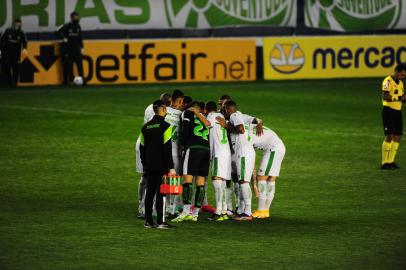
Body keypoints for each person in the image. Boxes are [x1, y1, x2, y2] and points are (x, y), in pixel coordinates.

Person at [216, 100, 256, 221]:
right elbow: (254, 121)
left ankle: (247, 212)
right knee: (241, 181)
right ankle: (242, 210)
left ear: (228, 109)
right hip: (244, 152)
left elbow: (241, 129)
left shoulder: (235, 115)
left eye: (223, 109)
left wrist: (226, 125)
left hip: (243, 153)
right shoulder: (239, 115)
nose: (222, 111)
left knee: (243, 181)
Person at [140, 100, 176, 229]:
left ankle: (148, 221)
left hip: (149, 165)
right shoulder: (166, 126)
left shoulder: (146, 127)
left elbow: (142, 148)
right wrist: (171, 167)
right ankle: (161, 221)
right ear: (163, 110)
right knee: (162, 193)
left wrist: (145, 164)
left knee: (150, 192)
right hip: (161, 166)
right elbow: (167, 149)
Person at [172, 101, 211, 222]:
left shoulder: (187, 113)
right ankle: (195, 214)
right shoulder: (204, 117)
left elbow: (185, 130)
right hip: (206, 150)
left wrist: (183, 146)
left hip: (193, 149)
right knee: (200, 182)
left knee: (187, 180)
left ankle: (185, 211)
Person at [136, 93, 171, 218]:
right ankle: (143, 207)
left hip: (148, 147)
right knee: (149, 178)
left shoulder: (152, 111)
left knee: (150, 180)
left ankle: (150, 211)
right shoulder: (157, 115)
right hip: (150, 146)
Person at [251, 125, 286, 218]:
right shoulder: (249, 126)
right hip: (278, 146)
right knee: (271, 179)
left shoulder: (245, 137)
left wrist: (254, 184)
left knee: (261, 177)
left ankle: (260, 210)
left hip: (273, 149)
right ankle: (265, 211)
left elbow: (251, 160)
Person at [205, 101, 231, 221]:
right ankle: (224, 211)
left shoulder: (210, 117)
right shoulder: (222, 116)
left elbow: (209, 137)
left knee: (216, 179)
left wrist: (209, 156)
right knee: (224, 182)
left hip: (218, 153)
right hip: (227, 153)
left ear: (206, 110)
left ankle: (218, 212)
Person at [381, 63, 406, 170]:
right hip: (388, 111)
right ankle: (384, 163)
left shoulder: (400, 83)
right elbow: (386, 97)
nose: (403, 77)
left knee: (397, 136)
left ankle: (391, 161)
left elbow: (401, 98)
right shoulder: (387, 81)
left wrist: (404, 99)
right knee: (389, 136)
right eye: (402, 74)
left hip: (397, 111)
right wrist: (400, 97)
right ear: (397, 71)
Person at [57, 11, 84, 85]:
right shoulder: (67, 26)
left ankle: (82, 80)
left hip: (77, 49)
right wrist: (63, 38)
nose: (77, 18)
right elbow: (57, 31)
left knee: (80, 65)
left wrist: (82, 47)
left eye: (78, 16)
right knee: (69, 65)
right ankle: (69, 80)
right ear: (72, 17)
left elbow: (80, 38)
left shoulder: (78, 26)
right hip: (68, 49)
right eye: (75, 16)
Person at [0, 19, 28, 87]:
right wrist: (1, 50)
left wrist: (24, 48)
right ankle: (8, 82)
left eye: (19, 25)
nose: (18, 26)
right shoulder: (8, 31)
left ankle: (15, 83)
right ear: (13, 24)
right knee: (6, 68)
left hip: (16, 54)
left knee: (16, 69)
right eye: (16, 25)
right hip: (6, 53)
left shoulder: (21, 33)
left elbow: (25, 42)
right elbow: (1, 41)